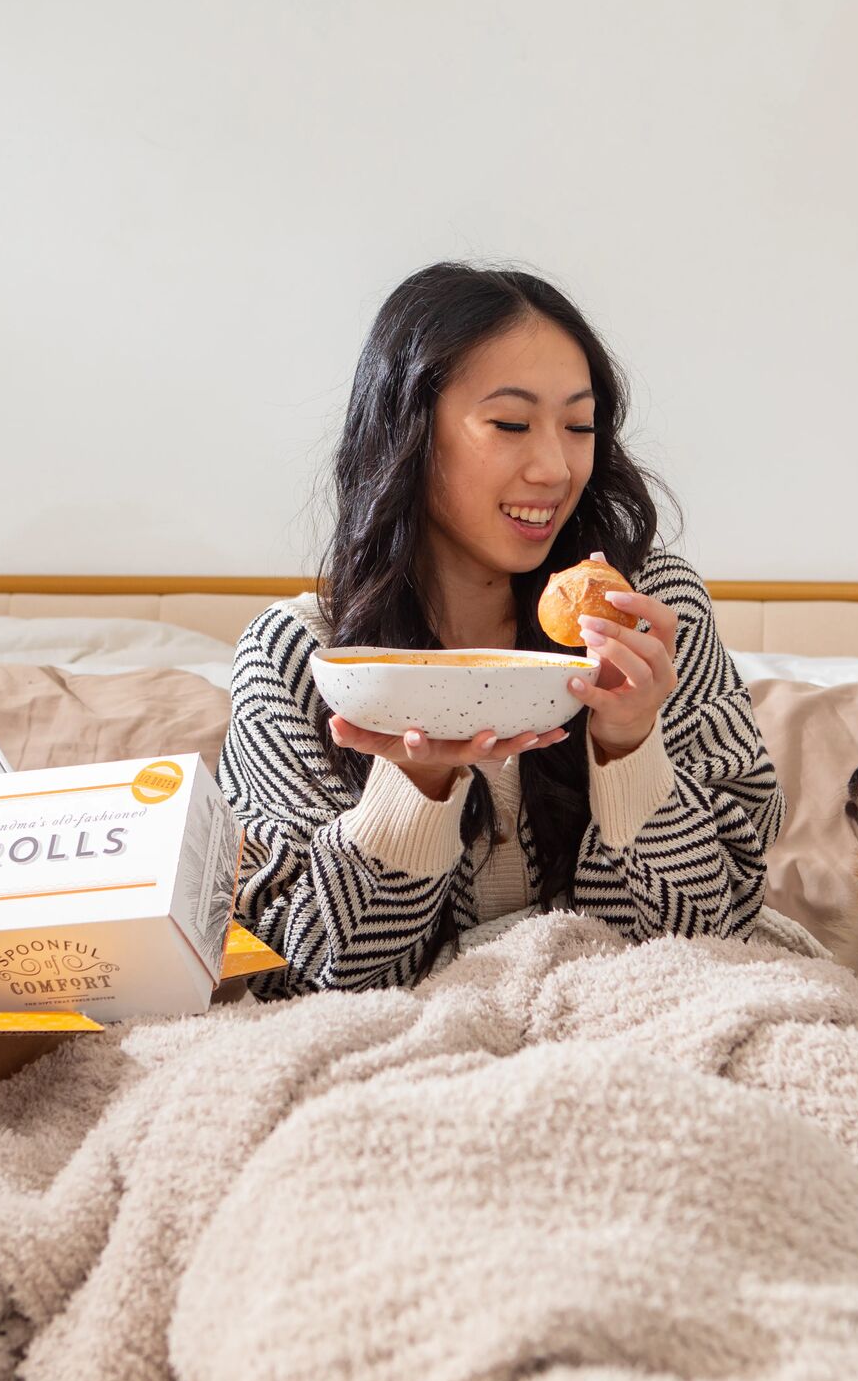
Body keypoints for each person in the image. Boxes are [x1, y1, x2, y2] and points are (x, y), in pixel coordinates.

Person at [218, 263, 784, 993]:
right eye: (511, 424)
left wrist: (631, 748)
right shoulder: (299, 657)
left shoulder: (646, 612)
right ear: (409, 433)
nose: (555, 466)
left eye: (579, 426)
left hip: (636, 1020)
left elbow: (715, 934)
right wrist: (413, 790)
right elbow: (293, 976)